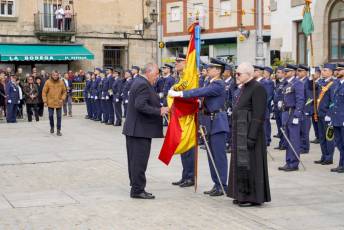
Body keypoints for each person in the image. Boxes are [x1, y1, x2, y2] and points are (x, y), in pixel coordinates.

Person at [169, 58, 230, 196]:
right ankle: (216, 183)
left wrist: (181, 94)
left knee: (218, 155)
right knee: (211, 155)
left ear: (218, 70)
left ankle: (222, 184)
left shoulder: (218, 84)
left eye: (211, 67)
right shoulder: (209, 82)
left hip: (218, 122)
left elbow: (199, 91)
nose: (207, 69)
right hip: (209, 121)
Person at [122, 63, 168, 199]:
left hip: (136, 130)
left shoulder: (139, 82)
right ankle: (137, 190)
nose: (157, 77)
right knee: (139, 161)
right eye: (156, 74)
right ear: (149, 72)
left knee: (135, 161)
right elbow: (140, 105)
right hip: (139, 131)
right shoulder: (142, 84)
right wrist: (159, 110)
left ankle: (136, 186)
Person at [228, 62, 271, 207]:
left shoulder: (258, 88)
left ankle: (251, 197)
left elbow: (259, 115)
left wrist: (251, 136)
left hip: (251, 134)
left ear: (249, 74)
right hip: (240, 133)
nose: (236, 76)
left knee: (251, 165)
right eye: (236, 73)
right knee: (241, 165)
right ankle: (240, 194)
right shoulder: (243, 87)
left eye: (239, 74)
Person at [170, 54, 195, 188]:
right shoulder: (180, 77)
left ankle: (190, 177)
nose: (176, 63)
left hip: (189, 116)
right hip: (180, 115)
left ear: (186, 62)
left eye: (179, 61)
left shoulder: (190, 76)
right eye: (176, 61)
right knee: (183, 146)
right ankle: (185, 175)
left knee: (188, 147)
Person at [278, 64, 304, 171]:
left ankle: (294, 163)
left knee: (294, 139)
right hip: (286, 113)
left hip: (293, 112)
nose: (284, 74)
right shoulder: (286, 83)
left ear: (293, 72)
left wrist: (297, 114)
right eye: (284, 72)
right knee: (287, 139)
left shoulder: (297, 83)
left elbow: (300, 99)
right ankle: (288, 161)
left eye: (287, 72)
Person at [313, 63, 336, 165]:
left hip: (327, 115)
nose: (323, 72)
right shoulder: (321, 82)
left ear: (331, 72)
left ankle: (329, 157)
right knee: (322, 137)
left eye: (325, 70)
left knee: (328, 137)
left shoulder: (333, 84)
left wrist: (329, 114)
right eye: (322, 70)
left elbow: (333, 101)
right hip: (319, 113)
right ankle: (323, 155)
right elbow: (311, 90)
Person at [42, 70, 67, 136]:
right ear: (51, 75)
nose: (55, 76)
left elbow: (64, 92)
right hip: (50, 102)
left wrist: (62, 99)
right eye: (54, 75)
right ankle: (52, 127)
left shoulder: (61, 82)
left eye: (56, 75)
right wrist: (45, 101)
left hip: (59, 102)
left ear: (58, 75)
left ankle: (58, 130)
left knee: (59, 117)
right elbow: (44, 92)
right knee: (50, 116)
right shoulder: (48, 82)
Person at [331, 63, 344, 173]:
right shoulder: (337, 84)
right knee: (339, 143)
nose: (337, 72)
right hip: (336, 119)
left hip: (343, 119)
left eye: (340, 70)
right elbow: (334, 103)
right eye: (337, 70)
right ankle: (341, 164)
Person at [297, 64, 312, 154]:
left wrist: (306, 110)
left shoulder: (308, 82)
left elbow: (310, 98)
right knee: (299, 130)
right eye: (298, 71)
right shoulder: (297, 81)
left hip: (305, 110)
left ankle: (305, 147)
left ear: (305, 72)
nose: (298, 73)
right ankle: (301, 146)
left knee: (304, 130)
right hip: (299, 109)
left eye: (300, 71)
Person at [273, 67, 287, 150]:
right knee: (279, 127)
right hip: (276, 107)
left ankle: (284, 143)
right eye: (277, 72)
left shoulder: (286, 83)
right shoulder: (278, 83)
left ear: (283, 73)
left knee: (283, 126)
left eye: (279, 72)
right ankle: (281, 142)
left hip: (283, 108)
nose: (277, 74)